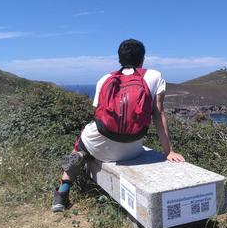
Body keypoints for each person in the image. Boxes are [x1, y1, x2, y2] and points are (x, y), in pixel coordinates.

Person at [52, 39, 185, 212]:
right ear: (142, 58)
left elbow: (99, 115)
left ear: (119, 59)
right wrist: (169, 151)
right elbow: (158, 115)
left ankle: (62, 193)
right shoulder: (154, 76)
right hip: (131, 150)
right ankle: (83, 154)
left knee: (83, 139)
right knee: (102, 139)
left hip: (98, 144)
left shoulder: (105, 79)